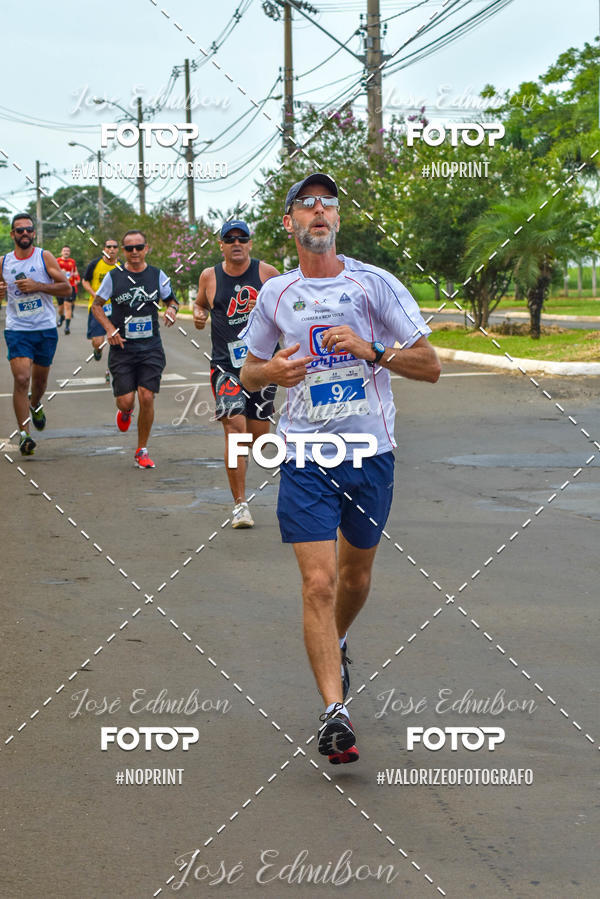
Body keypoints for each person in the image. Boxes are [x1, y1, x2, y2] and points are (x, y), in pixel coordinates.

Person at [240, 174, 441, 763]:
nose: (319, 212)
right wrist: (269, 375)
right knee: (319, 583)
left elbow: (430, 366)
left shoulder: (374, 284)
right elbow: (247, 371)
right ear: (290, 224)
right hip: (305, 455)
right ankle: (335, 712)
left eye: (328, 204)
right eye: (306, 205)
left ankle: (340, 640)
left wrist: (370, 350)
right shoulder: (276, 294)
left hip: (369, 455)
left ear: (338, 220)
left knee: (353, 581)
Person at [193, 220, 279, 528]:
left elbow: (289, 313)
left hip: (260, 366)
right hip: (225, 367)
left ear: (250, 243)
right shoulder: (209, 276)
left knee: (258, 440)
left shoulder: (267, 274)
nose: (236, 243)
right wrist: (200, 316)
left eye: (242, 238)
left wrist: (266, 310)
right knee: (234, 430)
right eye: (229, 239)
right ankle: (240, 505)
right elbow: (200, 305)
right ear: (221, 245)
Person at [91, 229, 178, 469]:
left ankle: (142, 449)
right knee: (126, 401)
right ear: (123, 251)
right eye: (129, 248)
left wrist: (172, 310)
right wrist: (110, 329)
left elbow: (172, 300)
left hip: (151, 347)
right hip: (123, 349)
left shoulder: (157, 275)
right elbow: (97, 306)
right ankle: (125, 411)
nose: (135, 252)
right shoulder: (113, 277)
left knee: (147, 396)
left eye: (139, 247)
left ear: (146, 248)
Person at [0, 214, 72, 455]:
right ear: (12, 235)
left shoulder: (45, 257)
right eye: (19, 230)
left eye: (28, 230)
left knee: (39, 382)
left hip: (44, 329)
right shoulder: (3, 263)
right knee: (21, 379)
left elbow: (66, 287)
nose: (24, 234)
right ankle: (24, 435)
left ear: (33, 233)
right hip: (17, 330)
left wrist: (38, 286)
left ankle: (35, 403)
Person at [82, 239, 122, 382]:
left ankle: (110, 370)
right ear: (104, 248)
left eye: (114, 247)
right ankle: (97, 350)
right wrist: (94, 294)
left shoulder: (121, 266)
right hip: (98, 308)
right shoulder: (95, 264)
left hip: (117, 309)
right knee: (98, 342)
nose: (111, 249)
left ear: (118, 249)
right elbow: (85, 281)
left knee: (116, 341)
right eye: (109, 247)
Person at [56, 245, 80, 335]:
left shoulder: (72, 261)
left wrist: (76, 277)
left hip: (70, 286)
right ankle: (62, 317)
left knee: (68, 306)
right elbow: (53, 271)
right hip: (60, 286)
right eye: (64, 251)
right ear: (61, 252)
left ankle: (67, 327)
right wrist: (60, 272)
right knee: (61, 308)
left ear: (69, 253)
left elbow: (75, 272)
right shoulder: (57, 261)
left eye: (68, 251)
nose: (66, 252)